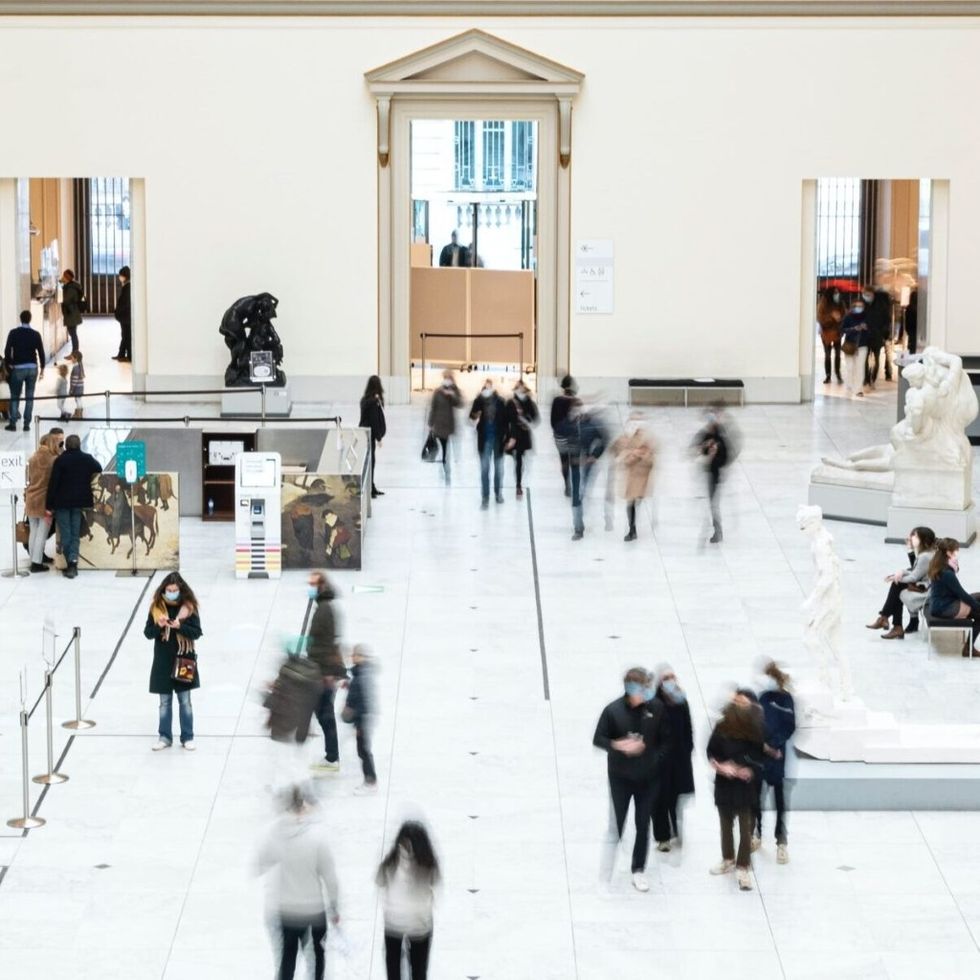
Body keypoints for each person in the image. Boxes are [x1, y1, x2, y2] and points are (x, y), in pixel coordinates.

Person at [592, 667, 671, 892]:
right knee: (616, 824)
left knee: (643, 823)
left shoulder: (656, 709)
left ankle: (638, 869)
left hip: (648, 779)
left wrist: (653, 757)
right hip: (620, 779)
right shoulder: (613, 711)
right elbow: (598, 738)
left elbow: (666, 741)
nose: (647, 692)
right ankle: (606, 872)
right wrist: (618, 745)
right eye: (642, 688)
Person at [257, 784, 340, 980]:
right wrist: (334, 907)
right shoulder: (317, 838)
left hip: (285, 911)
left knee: (287, 961)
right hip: (313, 912)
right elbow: (330, 878)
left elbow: (261, 864)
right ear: (302, 807)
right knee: (316, 961)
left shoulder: (275, 835)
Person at [707, 690, 764, 891]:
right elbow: (710, 752)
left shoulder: (754, 730)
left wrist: (747, 770)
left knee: (745, 828)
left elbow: (758, 758)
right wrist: (721, 767)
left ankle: (743, 866)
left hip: (745, 787)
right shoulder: (722, 727)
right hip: (725, 784)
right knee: (725, 825)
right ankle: (728, 859)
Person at [144, 572, 202, 750]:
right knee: (164, 702)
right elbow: (148, 633)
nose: (171, 593)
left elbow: (197, 632)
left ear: (181, 590)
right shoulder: (156, 608)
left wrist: (180, 626)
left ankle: (187, 736)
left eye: (175, 590)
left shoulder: (188, 608)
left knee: (185, 701)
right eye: (168, 590)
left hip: (183, 659)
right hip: (163, 662)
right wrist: (159, 625)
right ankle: (164, 736)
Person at [377, 821, 440, 979]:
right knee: (419, 971)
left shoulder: (390, 861)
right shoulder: (428, 862)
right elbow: (436, 881)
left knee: (393, 969)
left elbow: (379, 880)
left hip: (394, 922)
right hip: (420, 924)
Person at [753, 663, 796, 865]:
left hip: (778, 757)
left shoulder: (786, 700)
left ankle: (781, 841)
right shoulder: (763, 697)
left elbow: (789, 727)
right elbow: (755, 722)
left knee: (780, 801)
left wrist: (774, 745)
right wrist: (762, 745)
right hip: (761, 756)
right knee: (757, 799)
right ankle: (757, 834)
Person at [44, 433, 102, 578]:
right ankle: (73, 562)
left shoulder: (60, 460)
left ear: (66, 445)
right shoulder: (87, 459)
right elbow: (99, 468)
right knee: (75, 533)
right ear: (79, 445)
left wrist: (49, 505)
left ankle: (71, 564)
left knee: (66, 533)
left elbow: (53, 484)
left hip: (62, 503)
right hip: (79, 502)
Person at [307, 571, 348, 773]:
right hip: (322, 669)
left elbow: (327, 643)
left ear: (321, 586)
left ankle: (332, 757)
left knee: (325, 714)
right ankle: (331, 755)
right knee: (323, 712)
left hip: (324, 672)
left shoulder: (324, 609)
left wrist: (328, 674)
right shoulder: (323, 606)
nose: (309, 587)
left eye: (312, 584)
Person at [651, 665, 694, 852]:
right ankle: (662, 837)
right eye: (666, 678)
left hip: (679, 759)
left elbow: (688, 728)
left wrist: (687, 749)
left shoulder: (681, 701)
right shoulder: (653, 704)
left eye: (672, 677)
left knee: (676, 796)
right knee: (659, 799)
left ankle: (675, 827)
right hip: (660, 760)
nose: (670, 681)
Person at [866, 526, 936, 639]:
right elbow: (915, 570)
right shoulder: (927, 553)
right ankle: (891, 623)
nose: (911, 538)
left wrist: (896, 578)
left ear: (924, 540)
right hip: (925, 586)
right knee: (897, 585)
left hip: (927, 590)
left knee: (897, 585)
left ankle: (887, 619)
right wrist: (899, 573)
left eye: (915, 536)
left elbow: (914, 576)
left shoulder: (925, 556)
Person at [927, 538, 980, 654]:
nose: (958, 553)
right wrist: (977, 606)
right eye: (956, 550)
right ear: (948, 553)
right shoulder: (947, 573)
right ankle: (968, 648)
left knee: (978, 597)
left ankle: (969, 647)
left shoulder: (939, 566)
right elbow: (961, 594)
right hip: (944, 608)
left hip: (940, 603)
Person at [692, 404, 732, 544]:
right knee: (711, 503)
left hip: (714, 474)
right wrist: (703, 449)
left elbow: (725, 457)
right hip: (706, 472)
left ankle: (717, 530)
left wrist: (715, 454)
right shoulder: (705, 434)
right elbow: (696, 448)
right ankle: (715, 528)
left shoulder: (720, 436)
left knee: (713, 504)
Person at [612, 417, 655, 542]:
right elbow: (621, 457)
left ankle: (632, 529)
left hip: (641, 478)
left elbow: (651, 461)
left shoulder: (646, 443)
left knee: (634, 503)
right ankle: (632, 529)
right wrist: (633, 455)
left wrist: (641, 455)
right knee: (631, 504)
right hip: (631, 479)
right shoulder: (625, 440)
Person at [342, 643, 377, 794]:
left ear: (362, 657)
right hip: (361, 718)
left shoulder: (363, 675)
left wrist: (358, 722)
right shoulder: (360, 673)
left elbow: (364, 700)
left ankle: (370, 782)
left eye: (355, 654)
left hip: (362, 718)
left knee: (363, 751)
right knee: (362, 750)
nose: (352, 657)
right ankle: (370, 781)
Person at [3, 310, 45, 432]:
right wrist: (42, 368)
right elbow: (41, 352)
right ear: (30, 319)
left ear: (20, 319)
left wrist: (9, 364)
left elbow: (7, 350)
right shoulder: (36, 334)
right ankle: (27, 424)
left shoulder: (13, 333)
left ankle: (13, 423)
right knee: (29, 397)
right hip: (32, 368)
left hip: (18, 368)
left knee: (15, 396)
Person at [469, 379, 508, 508]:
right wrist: (476, 414)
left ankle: (498, 494)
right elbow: (472, 417)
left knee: (498, 469)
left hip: (498, 439)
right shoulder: (479, 401)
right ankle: (485, 497)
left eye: (490, 387)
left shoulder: (501, 402)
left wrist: (507, 438)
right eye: (486, 387)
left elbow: (506, 422)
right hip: (484, 439)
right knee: (485, 469)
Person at [24, 434, 59, 573]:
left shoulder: (32, 458)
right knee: (42, 533)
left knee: (33, 531)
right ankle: (36, 563)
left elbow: (27, 479)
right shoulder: (53, 460)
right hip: (44, 502)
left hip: (31, 499)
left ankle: (33, 559)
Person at [504, 379, 539, 498]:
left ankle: (519, 481)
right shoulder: (510, 402)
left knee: (521, 459)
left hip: (524, 434)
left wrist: (527, 419)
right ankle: (518, 484)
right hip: (515, 434)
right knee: (518, 459)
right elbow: (506, 420)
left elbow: (535, 418)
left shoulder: (529, 402)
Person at [427, 370, 462, 484]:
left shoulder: (454, 391)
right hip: (439, 425)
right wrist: (430, 424)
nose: (447, 380)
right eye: (445, 377)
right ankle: (444, 469)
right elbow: (433, 407)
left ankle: (446, 470)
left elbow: (460, 403)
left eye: (449, 378)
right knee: (444, 449)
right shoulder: (437, 392)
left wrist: (452, 394)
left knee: (447, 451)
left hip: (449, 425)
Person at [359, 375, 387, 499]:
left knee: (368, 461)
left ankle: (371, 486)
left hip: (363, 433)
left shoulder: (365, 400)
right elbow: (374, 421)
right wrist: (379, 438)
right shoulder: (373, 403)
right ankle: (370, 488)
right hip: (369, 435)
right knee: (371, 462)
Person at [550, 375, 578, 496]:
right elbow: (578, 419)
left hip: (559, 436)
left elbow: (552, 420)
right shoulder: (575, 401)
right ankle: (575, 486)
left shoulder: (556, 400)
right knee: (574, 461)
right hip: (572, 436)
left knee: (564, 461)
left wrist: (557, 432)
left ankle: (567, 485)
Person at [839, 298, 870, 398]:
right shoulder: (848, 317)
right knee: (850, 367)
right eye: (857, 306)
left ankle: (858, 389)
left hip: (862, 345)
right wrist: (854, 329)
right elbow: (842, 330)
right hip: (850, 345)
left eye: (861, 306)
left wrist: (866, 328)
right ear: (853, 307)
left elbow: (872, 330)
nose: (859, 308)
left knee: (860, 368)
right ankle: (850, 384)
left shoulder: (867, 317)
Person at [863, 285, 892, 387]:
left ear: (873, 295)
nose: (866, 296)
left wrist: (884, 333)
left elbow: (886, 320)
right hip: (865, 336)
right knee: (864, 359)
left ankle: (873, 378)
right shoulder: (861, 304)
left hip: (877, 335)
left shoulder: (881, 305)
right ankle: (866, 379)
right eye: (864, 294)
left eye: (868, 295)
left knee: (876, 358)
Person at [816, 286, 845, 384]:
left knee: (837, 354)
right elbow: (820, 317)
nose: (837, 295)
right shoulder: (823, 303)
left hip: (837, 332)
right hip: (826, 332)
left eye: (838, 292)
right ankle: (828, 375)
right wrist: (832, 317)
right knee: (827, 355)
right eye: (835, 293)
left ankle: (838, 374)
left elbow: (844, 315)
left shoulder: (840, 303)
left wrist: (840, 319)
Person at [59, 270, 85, 356]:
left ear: (67, 277)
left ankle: (75, 353)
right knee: (73, 333)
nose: (62, 277)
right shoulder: (71, 286)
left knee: (73, 333)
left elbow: (67, 300)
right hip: (72, 312)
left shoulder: (70, 288)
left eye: (64, 276)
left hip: (71, 313)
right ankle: (74, 352)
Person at [113, 265, 132, 362]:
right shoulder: (127, 286)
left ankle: (129, 356)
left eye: (120, 275)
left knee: (126, 336)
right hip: (125, 316)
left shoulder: (128, 287)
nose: (119, 277)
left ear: (125, 276)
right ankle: (121, 354)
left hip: (126, 316)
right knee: (125, 335)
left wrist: (117, 312)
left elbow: (125, 303)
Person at [69, 351, 85, 419]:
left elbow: (74, 381)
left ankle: (79, 413)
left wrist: (72, 389)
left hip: (77, 387)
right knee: (78, 399)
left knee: (78, 399)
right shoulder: (79, 366)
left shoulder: (75, 368)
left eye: (72, 358)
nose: (71, 359)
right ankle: (80, 410)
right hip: (80, 387)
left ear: (76, 359)